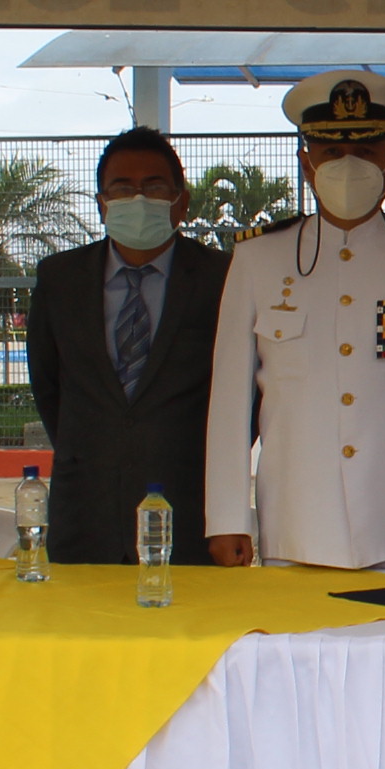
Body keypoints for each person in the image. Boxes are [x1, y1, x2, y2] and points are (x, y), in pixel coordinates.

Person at [205, 70, 385, 571]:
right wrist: (227, 518)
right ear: (307, 164)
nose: (348, 165)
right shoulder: (259, 259)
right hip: (296, 528)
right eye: (332, 152)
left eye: (365, 151)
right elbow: (229, 399)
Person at [26, 126, 230, 564]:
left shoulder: (223, 278)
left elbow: (243, 394)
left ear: (181, 202)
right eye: (122, 189)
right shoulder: (59, 278)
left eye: (154, 188)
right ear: (102, 204)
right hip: (84, 514)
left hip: (188, 511)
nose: (138, 200)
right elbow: (47, 384)